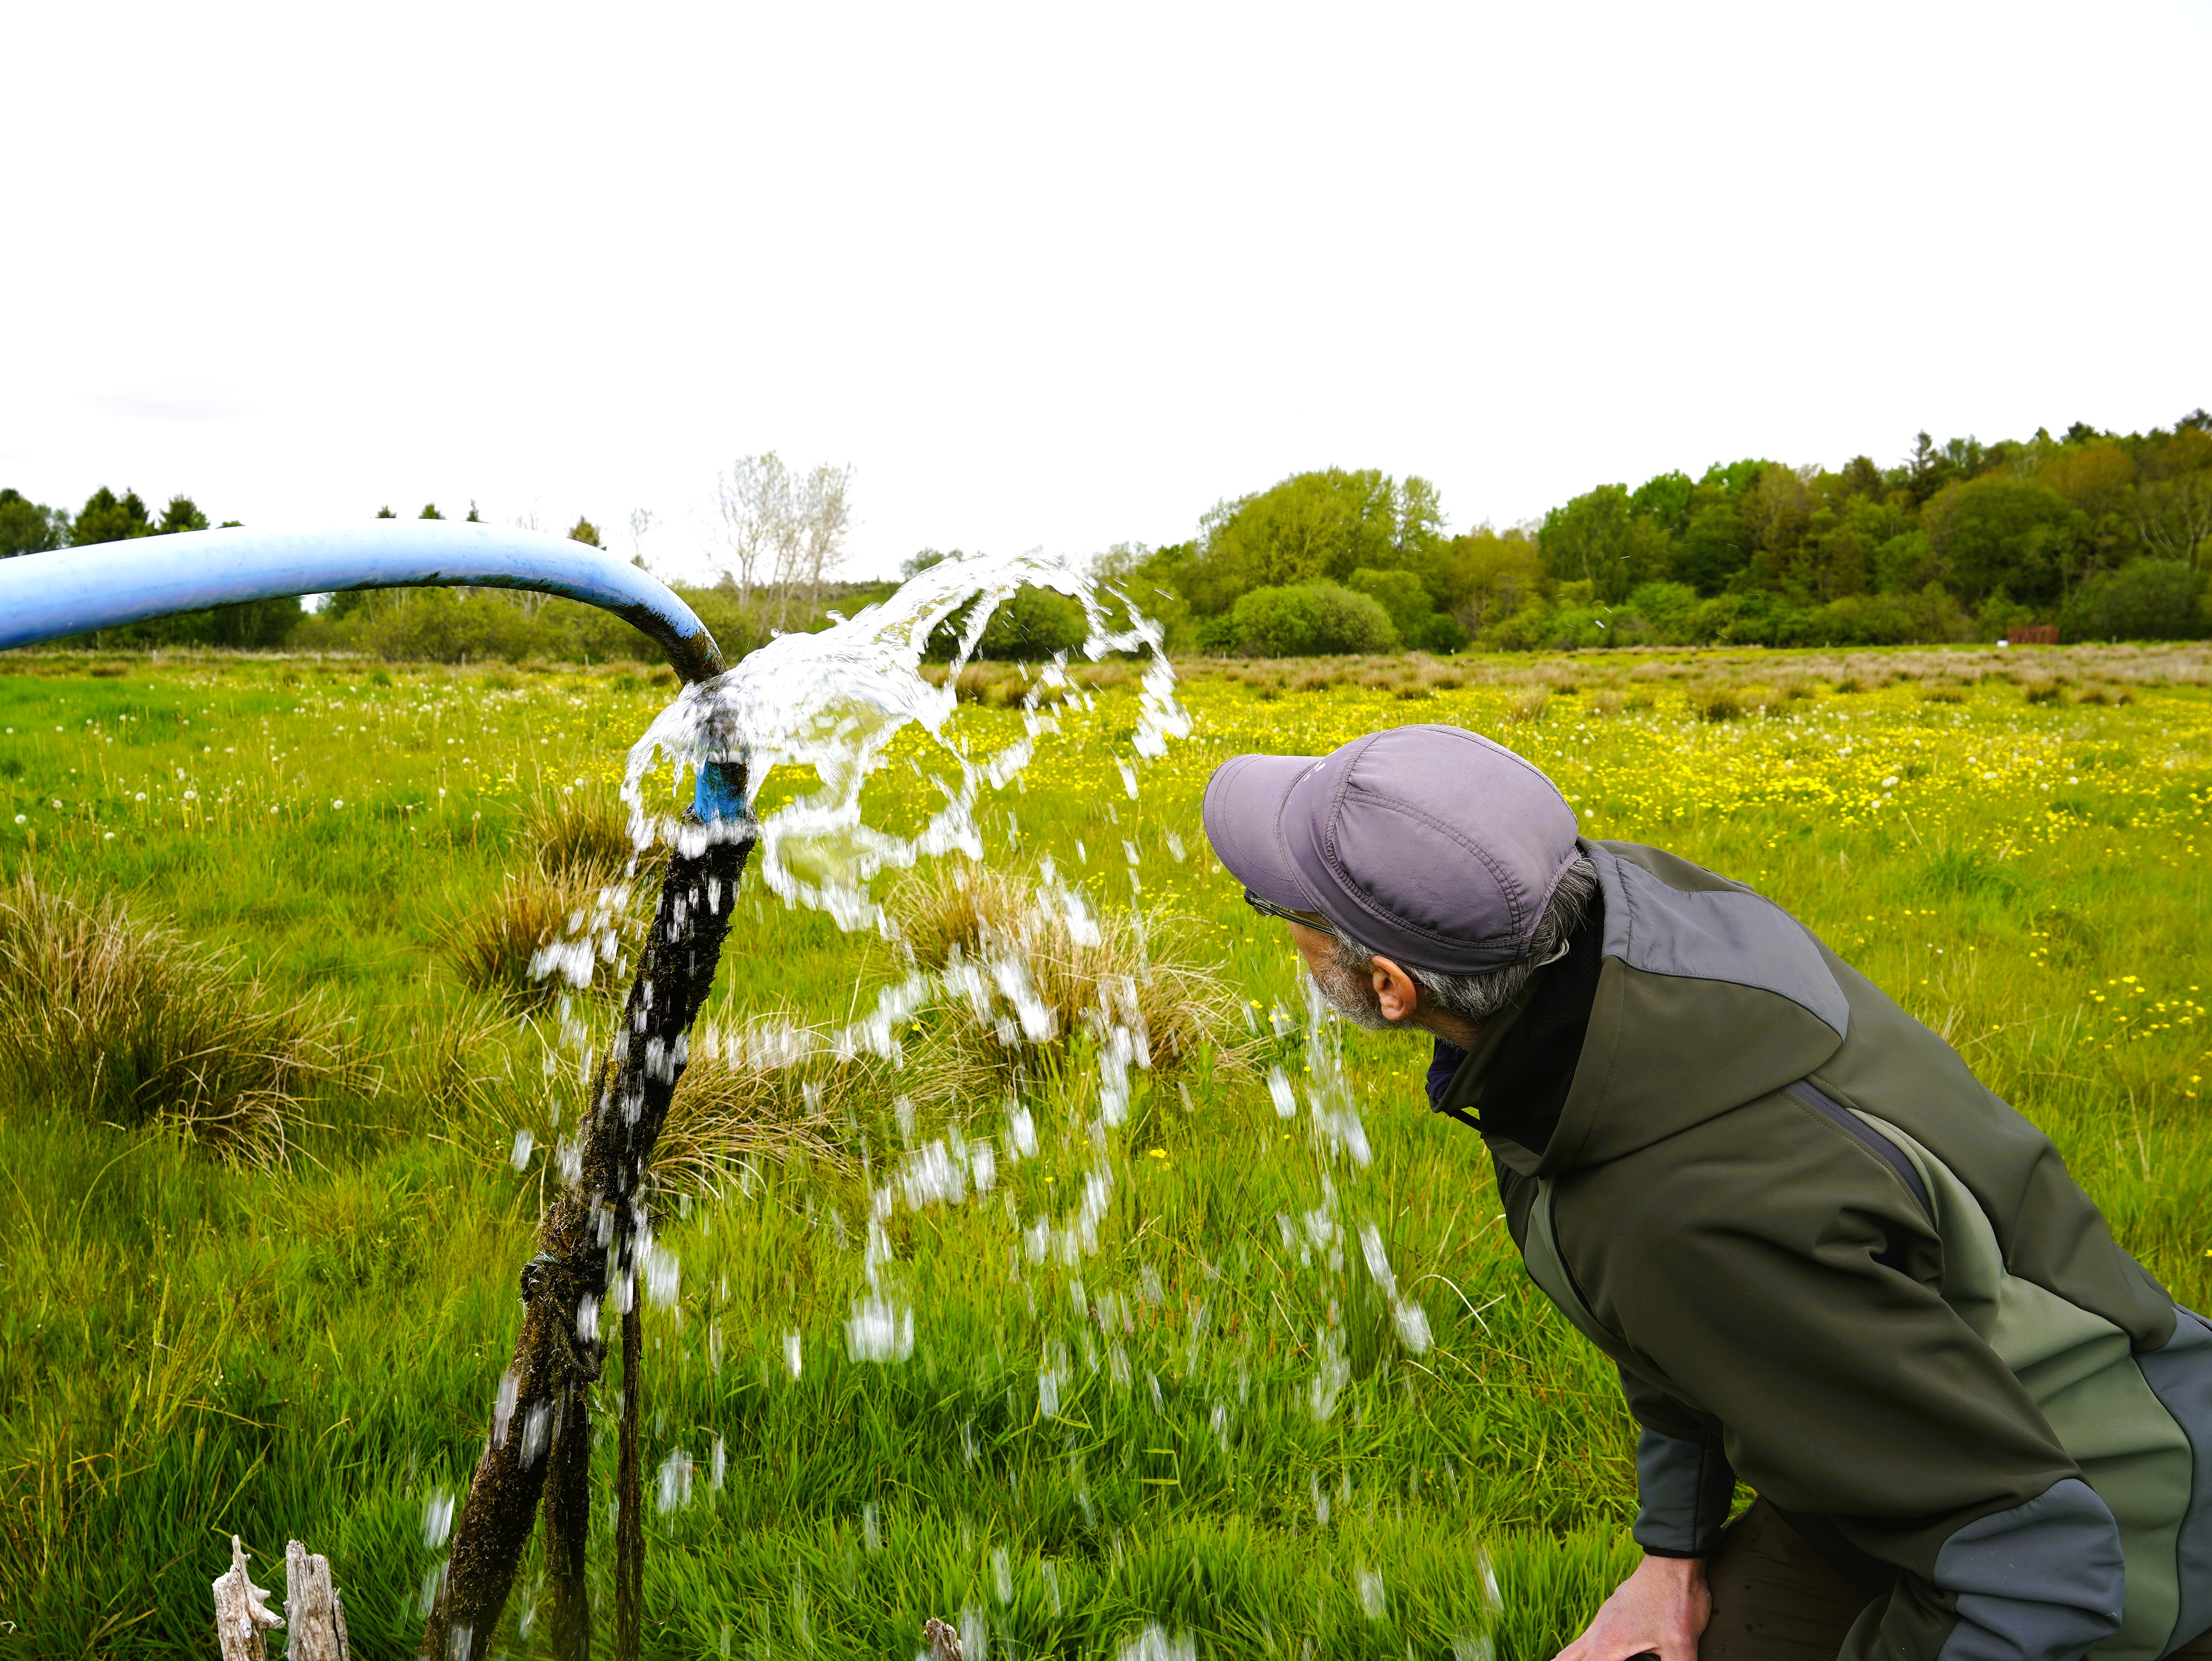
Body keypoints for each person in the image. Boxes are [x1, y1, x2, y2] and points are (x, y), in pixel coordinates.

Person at [1201, 723, 2212, 1661]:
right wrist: (1671, 1553)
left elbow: (2046, 1569)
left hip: (2124, 1533)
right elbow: (1677, 1323)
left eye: (1286, 912)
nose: (1283, 930)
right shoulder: (1616, 959)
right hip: (1907, 1465)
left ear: (1391, 987)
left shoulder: (1680, 1202)